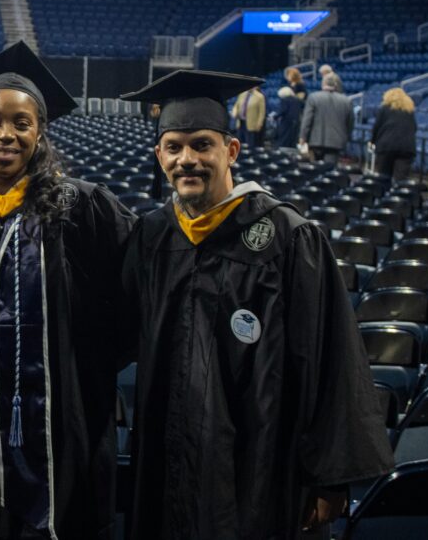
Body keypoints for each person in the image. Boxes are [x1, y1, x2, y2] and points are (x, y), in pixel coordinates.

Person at [120, 69, 394, 540]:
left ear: (231, 151)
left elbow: (328, 358)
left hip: (258, 466)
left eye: (202, 145)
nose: (188, 159)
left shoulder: (287, 237)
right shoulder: (152, 236)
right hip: (168, 460)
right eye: (174, 147)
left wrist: (327, 476)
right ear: (159, 155)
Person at [0, 41, 136, 539]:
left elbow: (131, 301)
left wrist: (83, 373)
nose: (5, 134)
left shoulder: (82, 210)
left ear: (40, 133)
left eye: (21, 123)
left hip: (57, 424)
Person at [299, 72, 352, 165]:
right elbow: (350, 123)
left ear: (323, 83)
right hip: (336, 142)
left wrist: (303, 137)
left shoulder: (313, 97)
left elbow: (307, 120)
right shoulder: (346, 101)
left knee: (315, 171)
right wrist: (347, 137)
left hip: (315, 141)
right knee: (330, 171)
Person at [370, 87, 417, 181]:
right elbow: (414, 128)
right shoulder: (409, 111)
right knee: (401, 179)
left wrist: (372, 141)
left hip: (386, 146)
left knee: (384, 177)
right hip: (406, 147)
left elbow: (377, 126)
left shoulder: (384, 109)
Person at [232, 84, 265, 148]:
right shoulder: (241, 94)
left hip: (251, 123)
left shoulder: (260, 96)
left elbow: (262, 113)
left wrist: (259, 124)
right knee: (239, 142)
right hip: (240, 121)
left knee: (251, 143)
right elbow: (236, 105)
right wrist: (234, 112)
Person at [273, 85, 302, 152]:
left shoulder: (284, 100)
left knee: (283, 140)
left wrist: (274, 116)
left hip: (286, 123)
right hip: (296, 123)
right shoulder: (297, 100)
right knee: (292, 140)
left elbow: (282, 111)